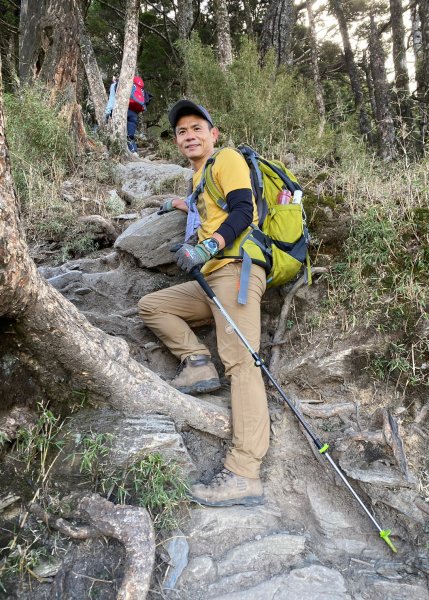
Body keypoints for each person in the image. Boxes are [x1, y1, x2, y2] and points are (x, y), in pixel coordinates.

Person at [138, 100, 270, 507]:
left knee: (242, 363)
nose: (189, 135)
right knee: (152, 306)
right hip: (210, 279)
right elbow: (203, 207)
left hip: (235, 271)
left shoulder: (226, 159)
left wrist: (210, 245)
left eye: (197, 128)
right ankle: (196, 364)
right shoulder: (199, 179)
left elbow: (243, 210)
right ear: (177, 142)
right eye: (181, 132)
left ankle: (244, 472)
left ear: (213, 134)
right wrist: (179, 206)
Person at [104, 75, 152, 154]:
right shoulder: (136, 87)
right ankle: (134, 152)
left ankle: (116, 153)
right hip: (134, 113)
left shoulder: (116, 85)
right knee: (130, 136)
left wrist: (107, 114)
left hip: (121, 111)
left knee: (118, 134)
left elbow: (111, 100)